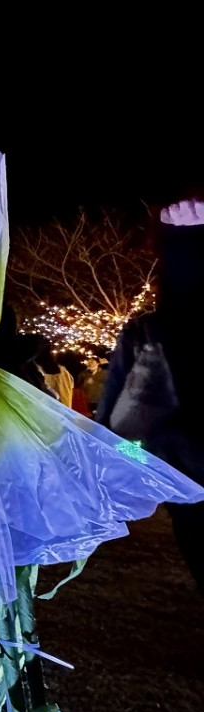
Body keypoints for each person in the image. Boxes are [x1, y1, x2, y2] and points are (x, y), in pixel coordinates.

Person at [97, 197, 204, 593]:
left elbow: (113, 442)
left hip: (191, 496)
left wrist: (156, 451)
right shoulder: (146, 334)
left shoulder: (147, 334)